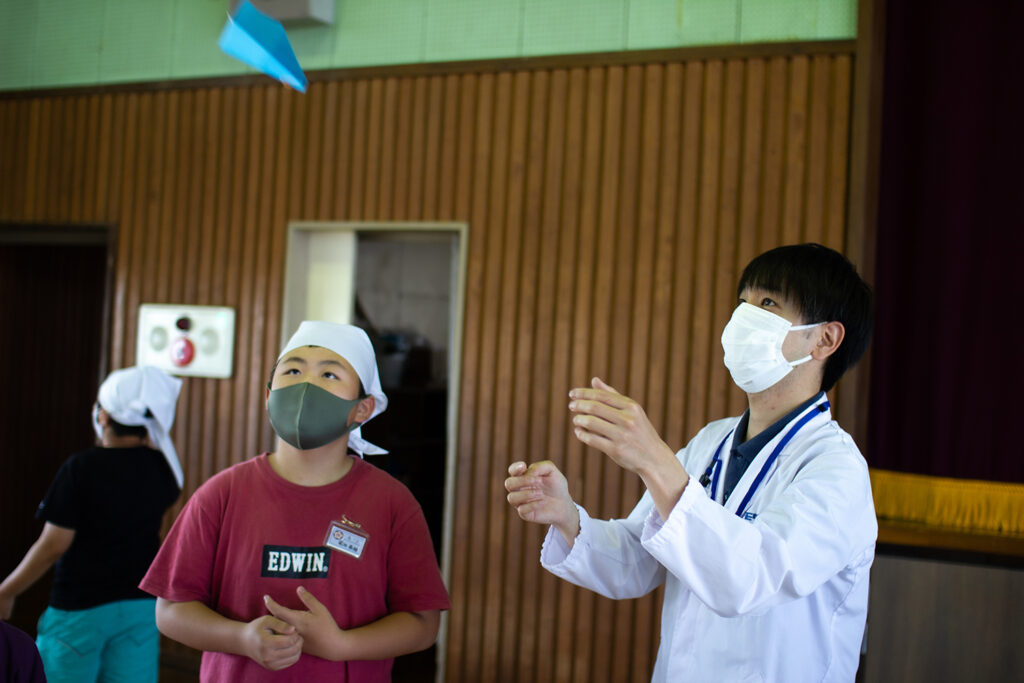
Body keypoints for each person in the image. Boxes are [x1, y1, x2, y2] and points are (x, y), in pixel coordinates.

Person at [505, 243, 877, 682]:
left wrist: (654, 460)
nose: (744, 318)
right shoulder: (711, 441)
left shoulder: (836, 470)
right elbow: (640, 561)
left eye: (769, 303)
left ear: (825, 339)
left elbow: (749, 579)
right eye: (744, 302)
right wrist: (567, 517)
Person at [140, 321, 450, 682]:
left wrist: (341, 645)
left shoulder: (392, 503)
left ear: (362, 409)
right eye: (293, 370)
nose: (306, 385)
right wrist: (240, 638)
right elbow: (171, 610)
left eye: (329, 374)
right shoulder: (220, 495)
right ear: (269, 393)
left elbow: (422, 623)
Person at [0, 365, 184, 683]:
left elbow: (53, 544)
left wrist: (7, 590)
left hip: (80, 610)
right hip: (141, 607)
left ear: (102, 416)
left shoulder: (81, 468)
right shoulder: (162, 469)